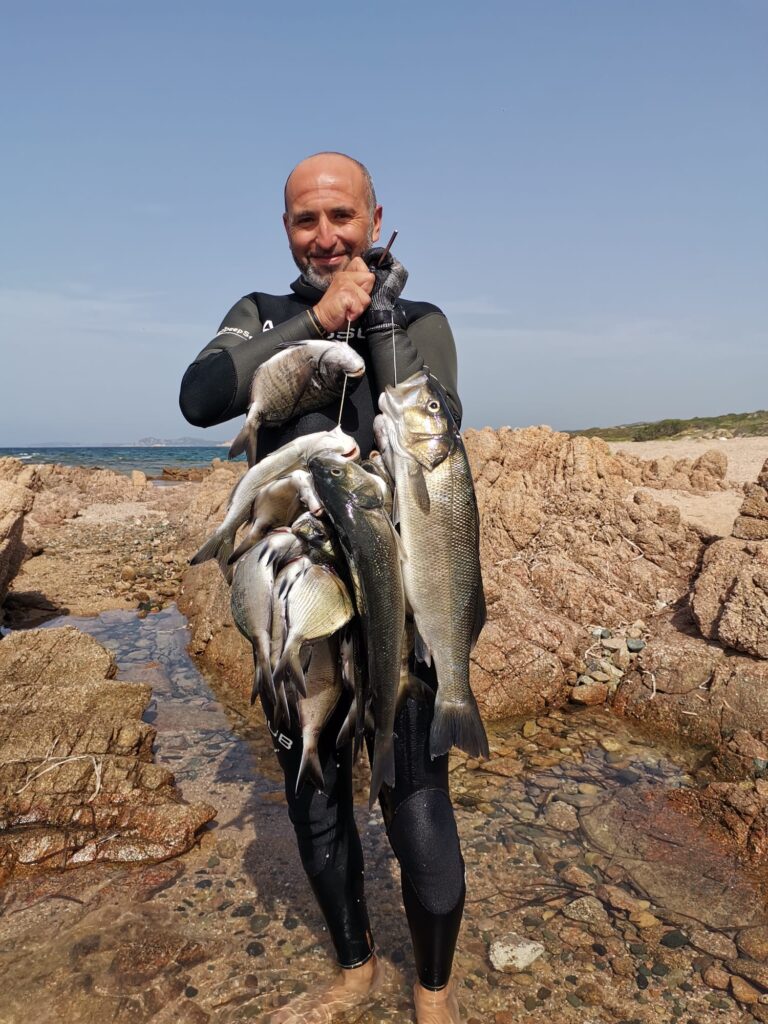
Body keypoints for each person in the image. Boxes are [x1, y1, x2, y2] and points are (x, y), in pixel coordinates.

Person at [180, 152, 468, 1024]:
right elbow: (200, 396)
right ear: (286, 229)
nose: (326, 234)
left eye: (342, 216)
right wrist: (315, 317)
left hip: (396, 607)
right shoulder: (260, 314)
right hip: (296, 614)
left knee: (420, 813)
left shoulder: (420, 319)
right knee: (316, 803)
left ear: (374, 221)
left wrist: (374, 318)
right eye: (306, 219)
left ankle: (433, 990)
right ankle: (355, 967)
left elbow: (438, 421)